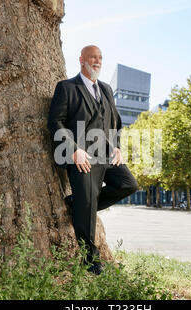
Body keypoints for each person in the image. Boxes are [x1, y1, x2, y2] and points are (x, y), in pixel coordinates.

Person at [47, 45, 138, 275]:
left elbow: (116, 122)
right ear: (81, 60)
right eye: (92, 57)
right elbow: (55, 123)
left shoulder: (106, 89)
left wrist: (117, 147)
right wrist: (74, 149)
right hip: (82, 157)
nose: (97, 61)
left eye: (100, 58)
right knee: (86, 206)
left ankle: (77, 205)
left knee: (129, 185)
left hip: (106, 154)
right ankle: (90, 261)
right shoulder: (67, 87)